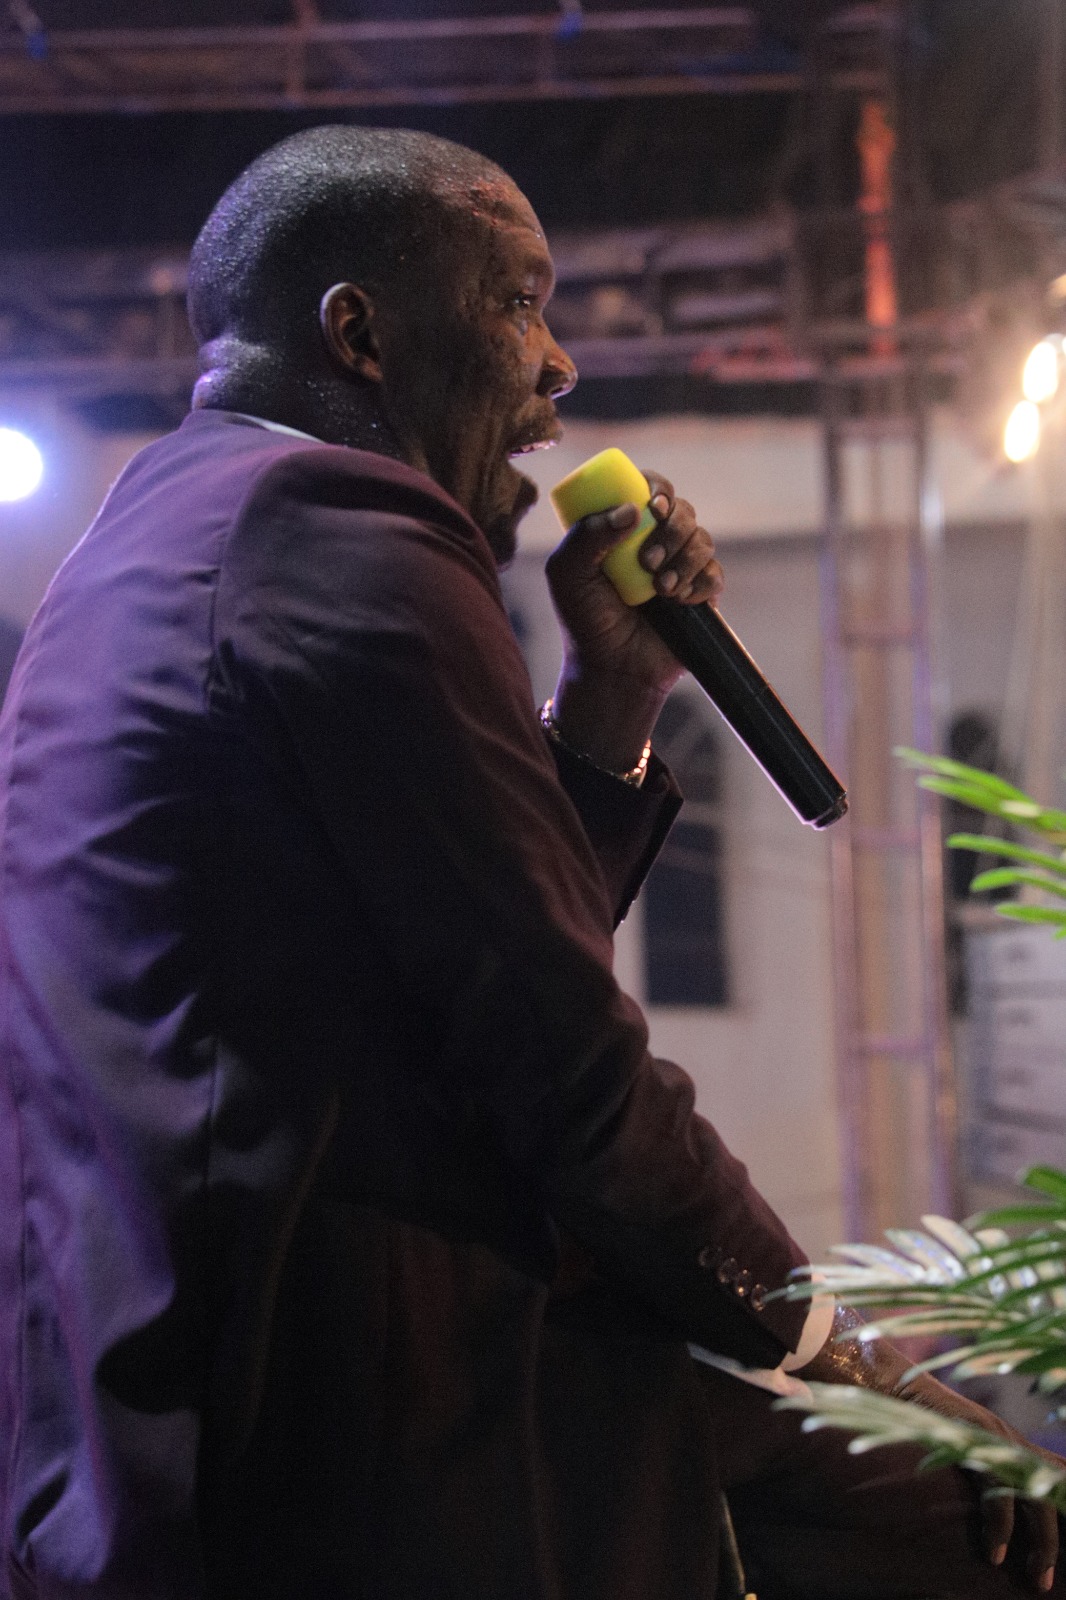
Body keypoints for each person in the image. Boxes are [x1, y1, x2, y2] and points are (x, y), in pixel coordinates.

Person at [0, 124, 1059, 1600]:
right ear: (359, 335)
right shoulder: (343, 529)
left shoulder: (161, 531)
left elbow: (463, 938)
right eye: (517, 303)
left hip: (193, 1385)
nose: (559, 364)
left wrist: (610, 698)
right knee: (983, 1520)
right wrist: (845, 1352)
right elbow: (562, 1058)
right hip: (334, 1414)